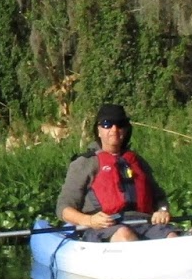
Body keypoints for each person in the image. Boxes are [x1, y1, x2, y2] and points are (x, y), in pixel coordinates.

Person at [56, 103, 177, 242]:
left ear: (126, 130)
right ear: (99, 130)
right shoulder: (85, 163)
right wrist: (89, 220)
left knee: (172, 237)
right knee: (124, 235)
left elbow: (160, 198)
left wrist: (162, 210)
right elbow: (64, 208)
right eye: (107, 124)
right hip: (103, 227)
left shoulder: (137, 162)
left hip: (144, 223)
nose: (114, 129)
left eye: (120, 124)